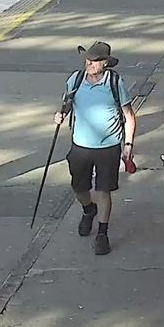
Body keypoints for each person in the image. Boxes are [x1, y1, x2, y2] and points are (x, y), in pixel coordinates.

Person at [53, 42, 136, 256]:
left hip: (108, 146)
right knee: (79, 188)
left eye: (95, 61)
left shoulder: (115, 83)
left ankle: (102, 233)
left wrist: (128, 145)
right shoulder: (76, 79)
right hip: (80, 145)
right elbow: (66, 103)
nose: (89, 64)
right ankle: (88, 210)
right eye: (88, 60)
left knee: (103, 190)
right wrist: (60, 114)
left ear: (105, 63)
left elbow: (129, 116)